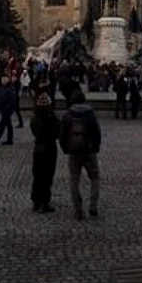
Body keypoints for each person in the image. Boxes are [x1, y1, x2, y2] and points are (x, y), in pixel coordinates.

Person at [59, 90, 102, 220]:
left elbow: (62, 135)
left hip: (74, 151)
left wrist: (66, 149)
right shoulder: (90, 114)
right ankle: (93, 205)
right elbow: (97, 132)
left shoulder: (67, 115)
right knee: (95, 177)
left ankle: (78, 210)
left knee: (74, 179)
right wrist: (95, 147)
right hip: (89, 151)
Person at [30, 92, 60, 213]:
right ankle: (44, 202)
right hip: (49, 148)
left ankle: (36, 201)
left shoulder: (34, 118)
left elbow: (33, 131)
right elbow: (58, 132)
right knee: (47, 176)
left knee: (37, 176)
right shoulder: (51, 117)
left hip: (38, 148)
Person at [0, 74, 16, 146]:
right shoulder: (1, 88)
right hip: (2, 109)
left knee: (2, 125)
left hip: (7, 110)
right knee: (9, 125)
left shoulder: (11, 88)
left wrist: (6, 108)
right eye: (3, 79)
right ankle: (10, 140)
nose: (4, 81)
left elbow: (12, 101)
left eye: (5, 79)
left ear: (8, 80)